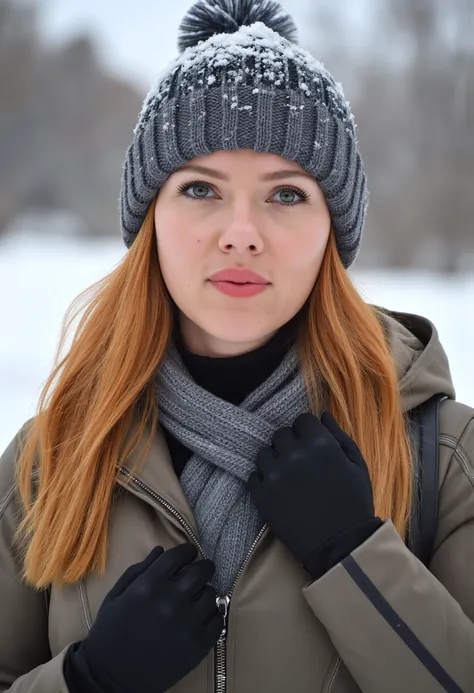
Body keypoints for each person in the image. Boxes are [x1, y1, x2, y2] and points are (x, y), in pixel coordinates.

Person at [0, 0, 473, 691]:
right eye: (200, 189)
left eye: (285, 195)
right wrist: (89, 679)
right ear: (150, 221)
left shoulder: (444, 457)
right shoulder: (53, 459)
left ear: (331, 233)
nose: (241, 232)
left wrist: (357, 558)